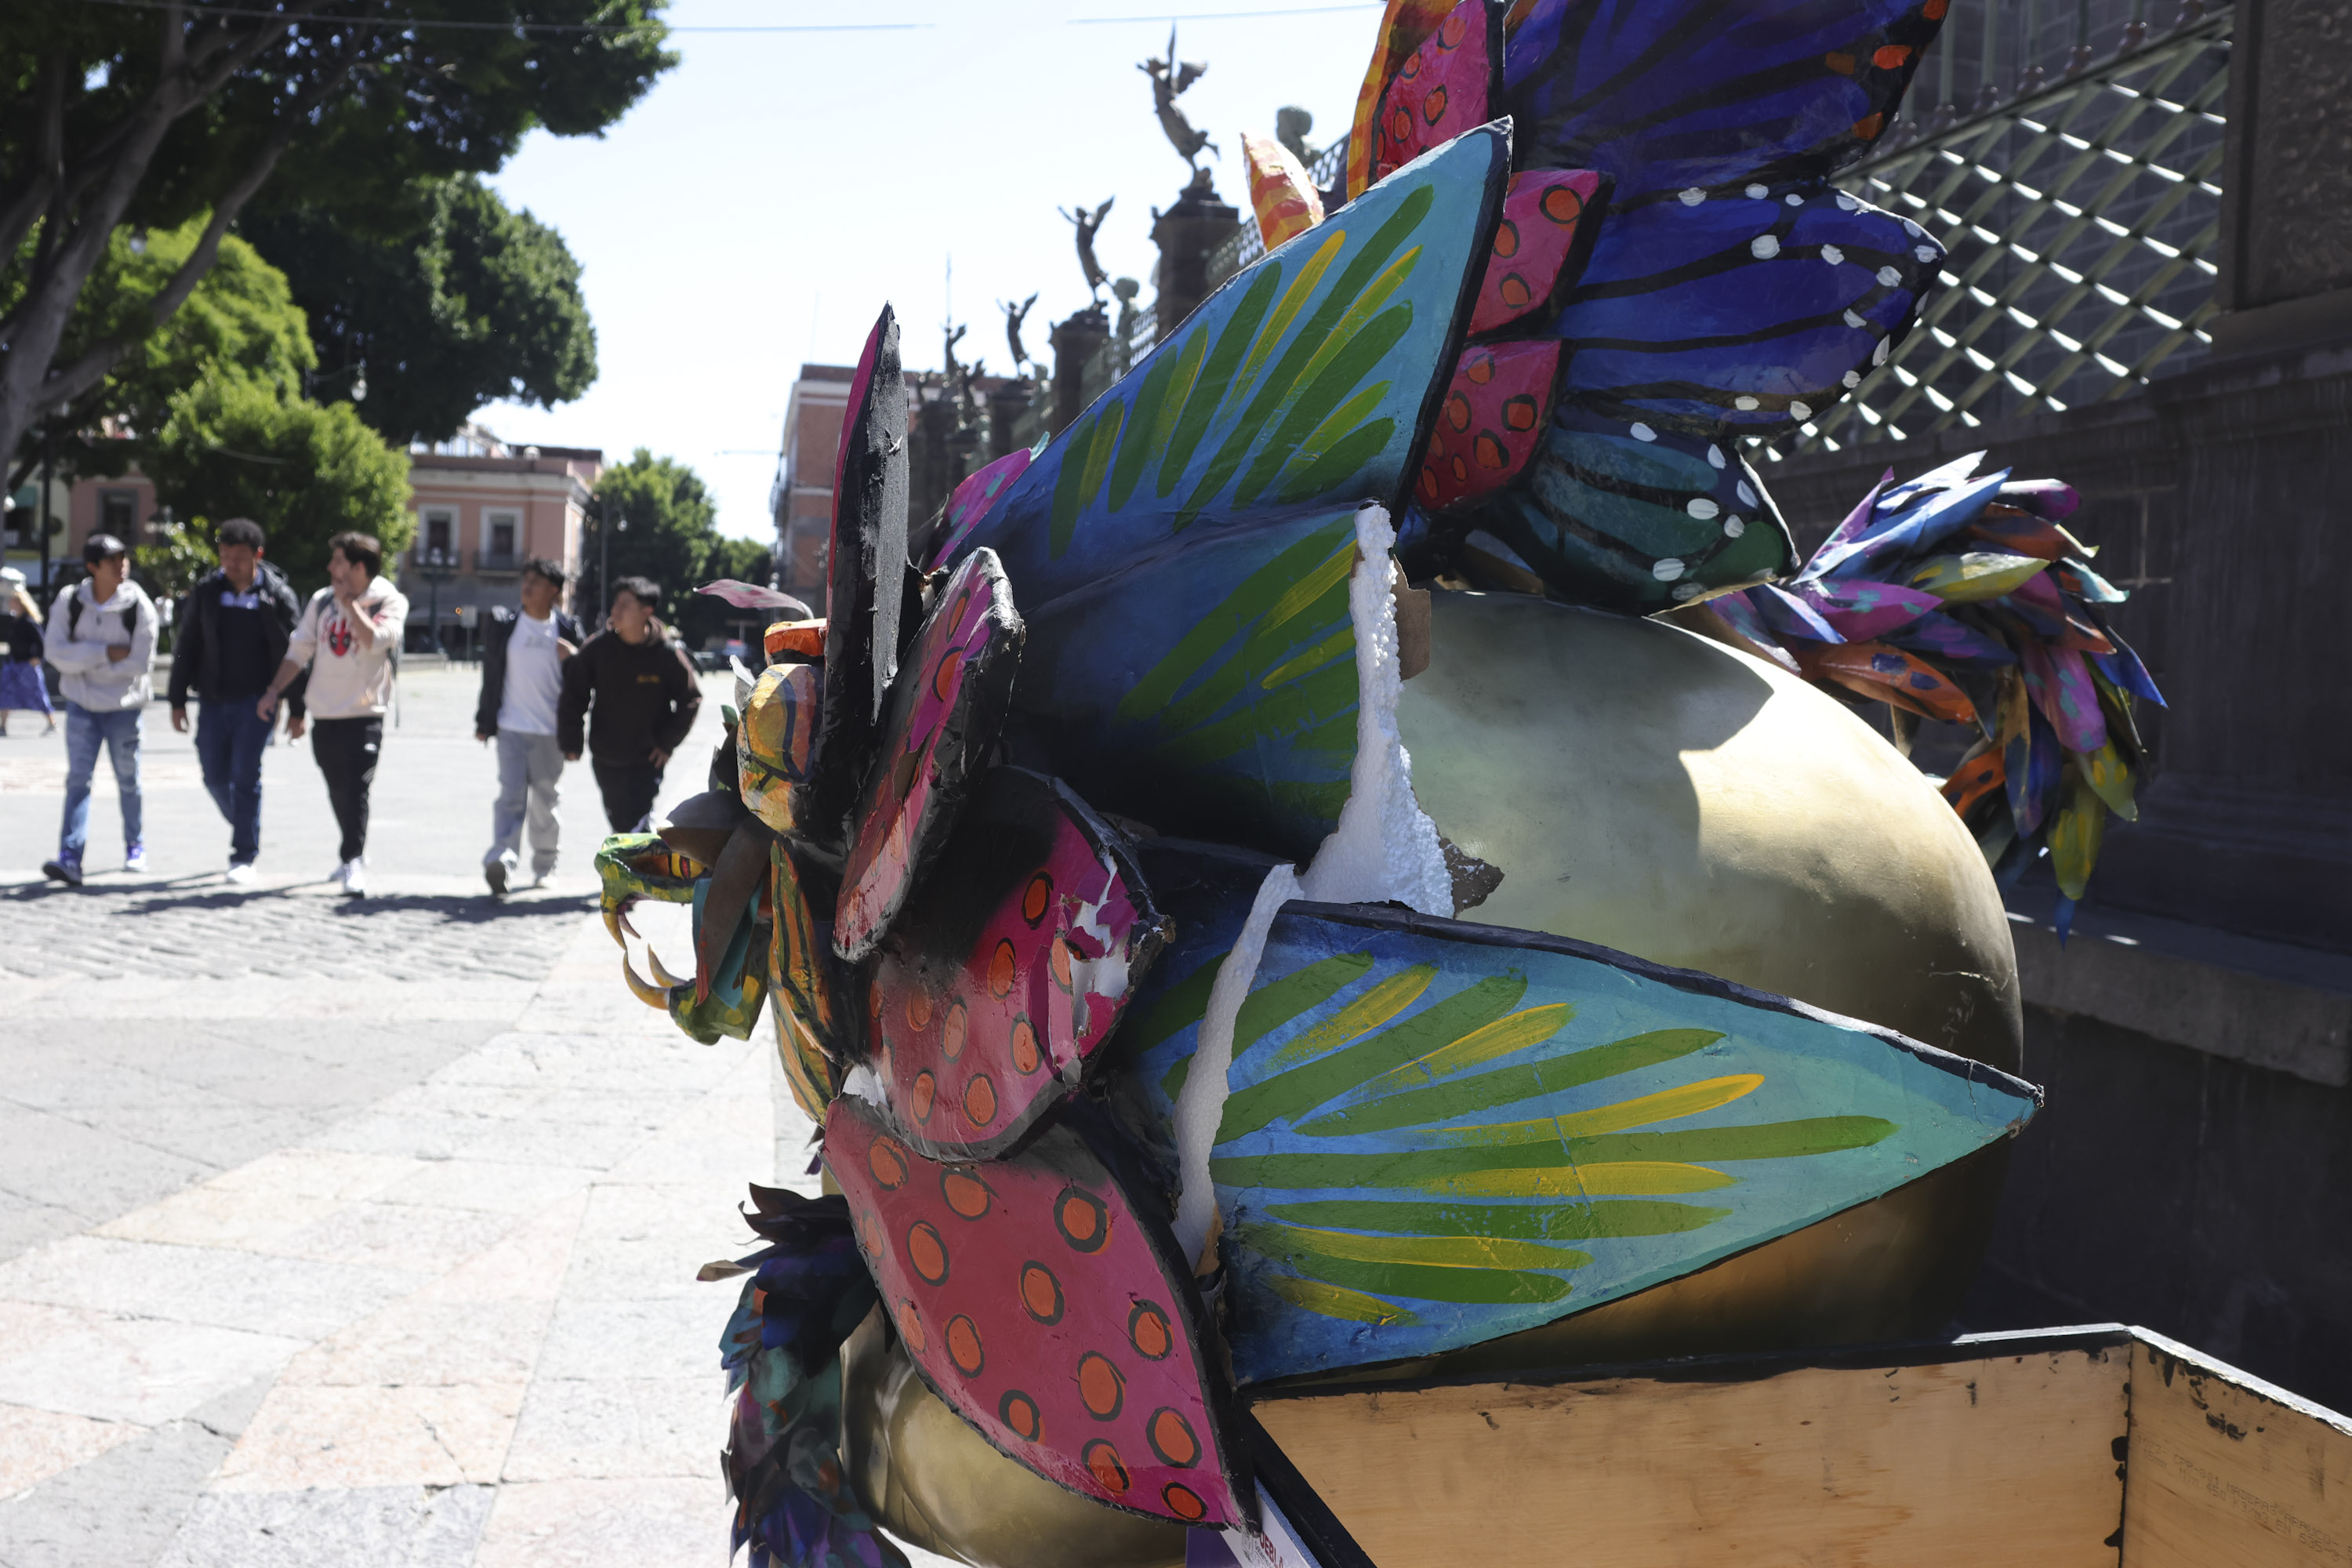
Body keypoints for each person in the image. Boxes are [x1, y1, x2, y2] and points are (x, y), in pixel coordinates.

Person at [257, 531, 408, 898]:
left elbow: (375, 640)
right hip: (325, 713)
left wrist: (350, 604)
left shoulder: (388, 599)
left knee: (357, 788)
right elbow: (299, 651)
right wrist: (274, 691)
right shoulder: (322, 601)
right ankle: (352, 849)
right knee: (338, 790)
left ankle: (352, 860)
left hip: (365, 712)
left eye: (338, 561)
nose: (330, 567)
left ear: (359, 567)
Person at [167, 517, 306, 883]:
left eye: (239, 558)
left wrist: (297, 709)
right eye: (225, 556)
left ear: (258, 555)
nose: (231, 564)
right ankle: (247, 824)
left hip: (258, 702)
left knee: (245, 776)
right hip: (213, 699)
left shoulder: (277, 596)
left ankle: (243, 854)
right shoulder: (206, 592)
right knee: (213, 775)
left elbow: (296, 652)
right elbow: (186, 645)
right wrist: (176, 699)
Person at [42, 534, 158, 885]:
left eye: (124, 558)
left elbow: (140, 662)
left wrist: (81, 658)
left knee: (129, 781)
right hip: (81, 705)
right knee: (78, 781)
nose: (122, 565)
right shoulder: (70, 601)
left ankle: (135, 846)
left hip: (124, 707)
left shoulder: (138, 605)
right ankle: (70, 857)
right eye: (113, 560)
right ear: (93, 567)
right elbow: (54, 652)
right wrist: (105, 653)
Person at [475, 557, 583, 894]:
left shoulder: (567, 629)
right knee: (510, 797)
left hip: (551, 733)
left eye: (536, 582)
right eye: (526, 580)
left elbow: (584, 684)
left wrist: (575, 658)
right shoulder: (506, 625)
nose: (527, 587)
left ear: (553, 591)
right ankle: (502, 860)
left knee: (545, 803)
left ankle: (545, 866)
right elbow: (491, 674)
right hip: (511, 728)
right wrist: (484, 720)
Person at [558, 575, 700, 833]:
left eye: (625, 605)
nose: (615, 610)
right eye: (616, 603)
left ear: (646, 611)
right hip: (606, 757)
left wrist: (666, 742)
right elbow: (574, 693)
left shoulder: (666, 654)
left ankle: (641, 856)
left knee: (636, 824)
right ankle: (638, 856)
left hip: (647, 760)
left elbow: (690, 698)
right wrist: (571, 741)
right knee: (623, 822)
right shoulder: (598, 648)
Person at [0, 567, 55, 737]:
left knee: (38, 694)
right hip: (13, 663)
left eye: (13, 601)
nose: (10, 604)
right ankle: (2, 726)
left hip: (27, 665)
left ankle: (52, 723)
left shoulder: (30, 621)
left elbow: (41, 642)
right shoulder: (15, 621)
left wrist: (38, 658)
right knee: (5, 693)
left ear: (21, 603)